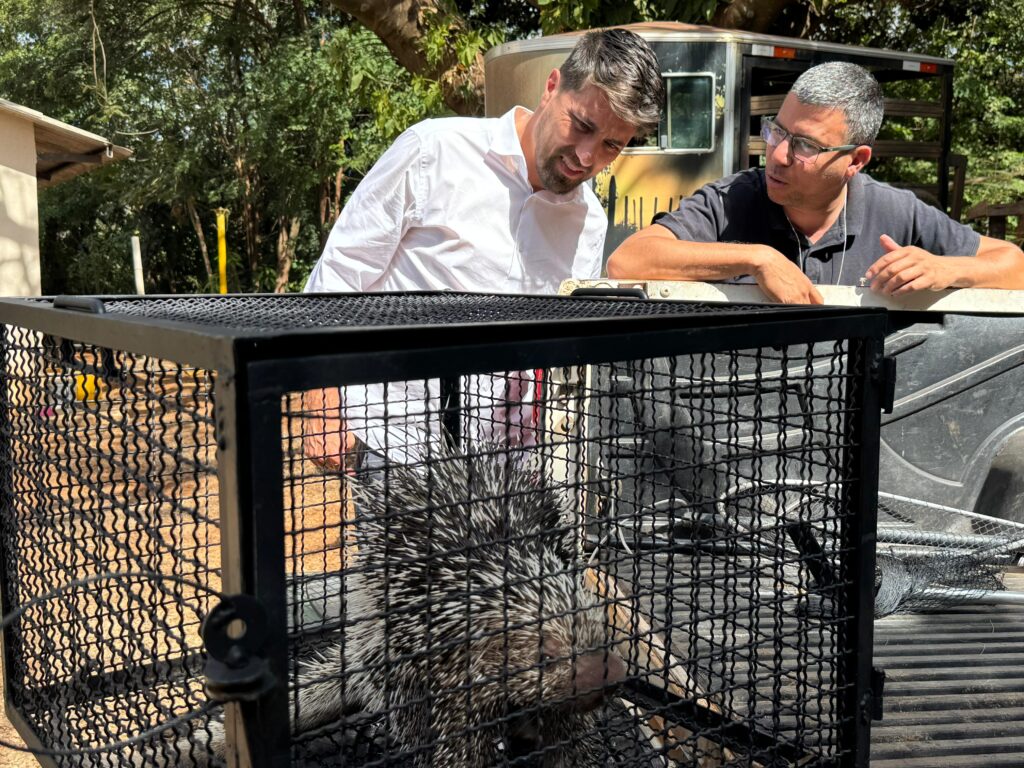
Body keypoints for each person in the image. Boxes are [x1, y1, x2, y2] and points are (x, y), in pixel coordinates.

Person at [302, 28, 664, 470]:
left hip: (513, 468)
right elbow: (339, 273)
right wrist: (322, 404)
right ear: (552, 88)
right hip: (398, 445)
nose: (587, 157)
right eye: (582, 125)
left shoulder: (588, 221)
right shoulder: (433, 151)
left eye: (611, 145)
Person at [606, 61, 1024, 304]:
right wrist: (758, 259)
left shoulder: (896, 211)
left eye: (805, 146)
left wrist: (944, 268)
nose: (778, 154)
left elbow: (1014, 266)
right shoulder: (732, 200)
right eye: (776, 131)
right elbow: (627, 261)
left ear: (855, 161)